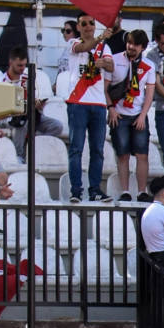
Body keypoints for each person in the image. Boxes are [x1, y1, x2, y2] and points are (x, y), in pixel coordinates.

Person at [60, 14, 117, 202]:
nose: (88, 26)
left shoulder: (105, 47)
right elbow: (84, 47)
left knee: (97, 150)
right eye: (84, 23)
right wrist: (100, 37)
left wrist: (105, 63)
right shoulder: (73, 43)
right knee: (76, 148)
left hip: (98, 103)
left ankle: (94, 190)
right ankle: (76, 190)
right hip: (78, 102)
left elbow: (111, 66)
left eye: (91, 23)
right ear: (78, 26)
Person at [106, 29, 155, 200]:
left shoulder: (148, 65)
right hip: (119, 113)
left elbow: (149, 93)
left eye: (135, 44)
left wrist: (143, 115)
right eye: (129, 43)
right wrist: (110, 108)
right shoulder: (114, 59)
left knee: (142, 154)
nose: (131, 47)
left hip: (137, 114)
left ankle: (142, 192)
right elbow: (105, 88)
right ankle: (125, 191)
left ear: (142, 47)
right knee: (123, 154)